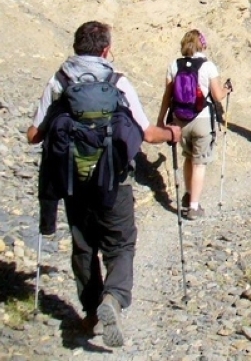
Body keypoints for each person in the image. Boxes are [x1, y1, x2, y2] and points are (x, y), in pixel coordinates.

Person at [26, 21, 181, 348]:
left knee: (83, 246)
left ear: (76, 47)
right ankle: (113, 298)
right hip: (115, 182)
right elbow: (148, 134)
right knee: (121, 244)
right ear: (106, 50)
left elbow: (33, 135)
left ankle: (91, 312)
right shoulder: (118, 82)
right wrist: (172, 133)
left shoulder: (60, 80)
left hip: (72, 183)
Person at [155, 29, 230, 220]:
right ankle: (194, 207)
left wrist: (161, 119)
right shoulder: (208, 66)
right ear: (201, 44)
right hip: (202, 119)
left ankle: (189, 196)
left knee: (188, 157)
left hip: (180, 121)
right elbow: (217, 96)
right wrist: (227, 89)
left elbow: (167, 95)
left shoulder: (174, 65)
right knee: (199, 163)